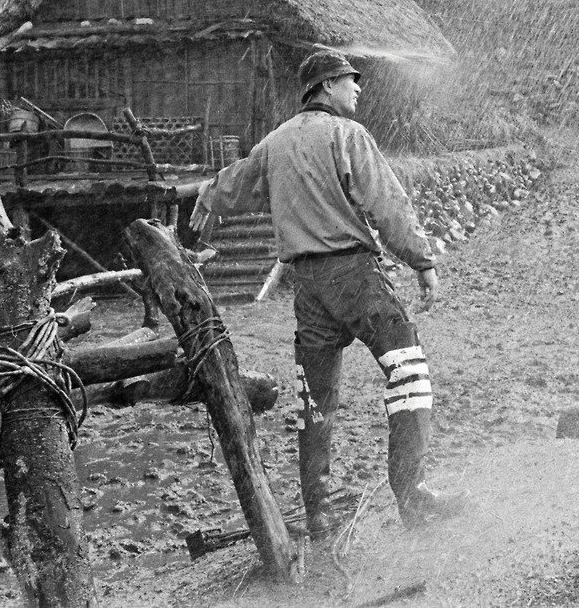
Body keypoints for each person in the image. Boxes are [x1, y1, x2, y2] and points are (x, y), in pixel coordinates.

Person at [190, 50, 467, 535]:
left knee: (314, 400)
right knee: (410, 375)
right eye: (348, 80)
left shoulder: (275, 143)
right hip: (355, 276)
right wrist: (422, 261)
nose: (357, 88)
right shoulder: (347, 135)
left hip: (307, 287)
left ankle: (317, 511)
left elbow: (230, 186)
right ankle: (412, 495)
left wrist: (206, 199)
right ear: (324, 88)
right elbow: (388, 205)